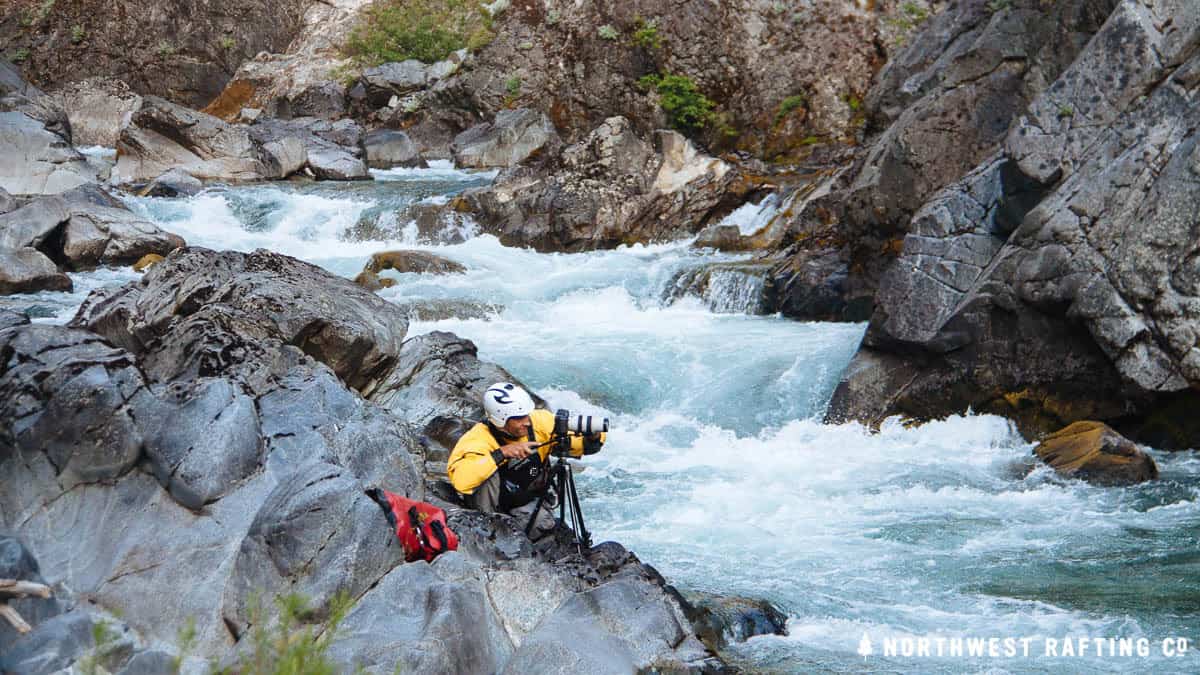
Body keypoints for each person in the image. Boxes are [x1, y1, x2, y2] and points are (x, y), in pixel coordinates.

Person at [447, 382, 604, 538]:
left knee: (542, 527)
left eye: (527, 415)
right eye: (519, 418)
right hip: (493, 507)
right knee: (484, 474)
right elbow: (462, 481)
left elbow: (582, 446)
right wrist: (501, 454)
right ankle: (490, 534)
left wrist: (593, 438)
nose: (527, 422)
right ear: (500, 420)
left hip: (528, 500)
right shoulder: (476, 440)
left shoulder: (539, 422)